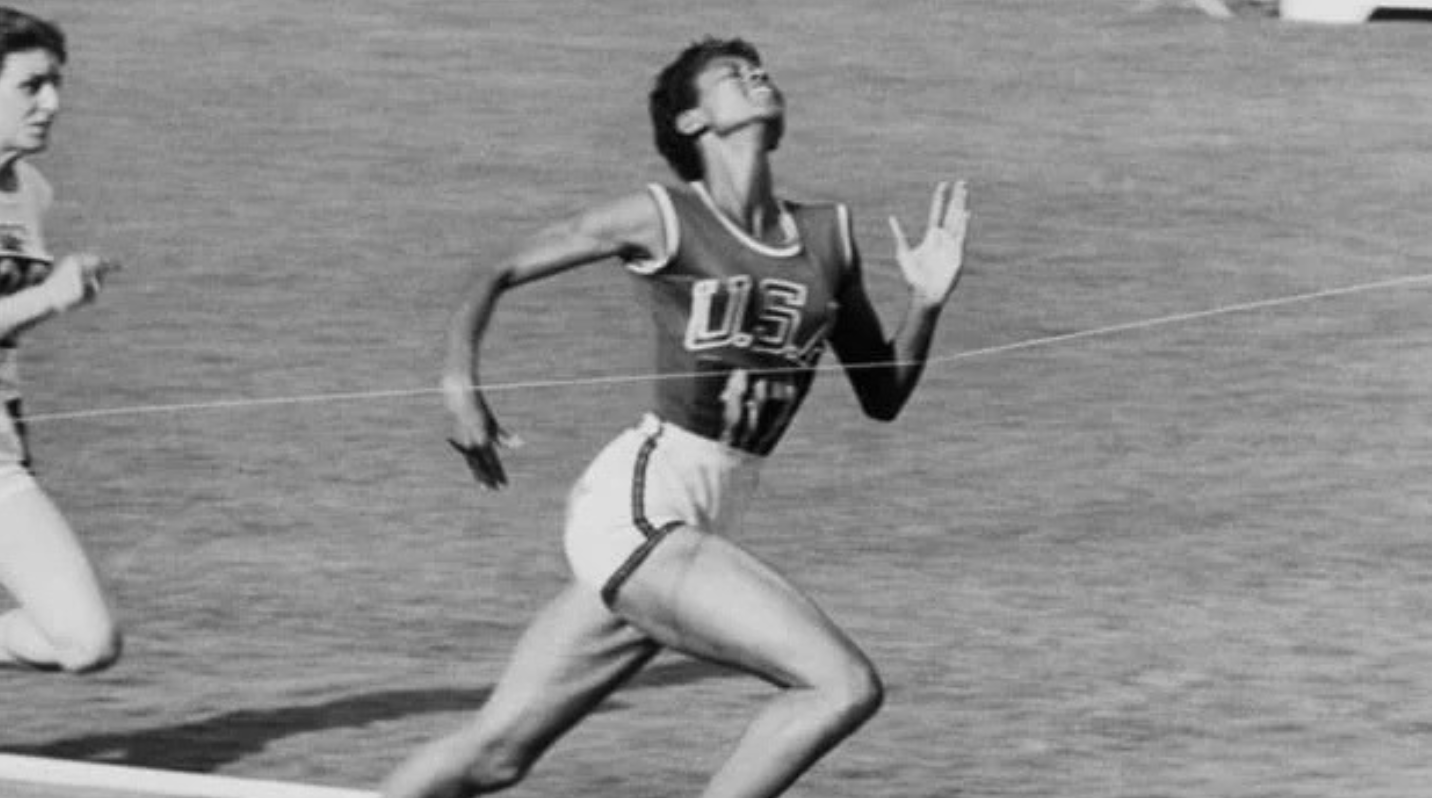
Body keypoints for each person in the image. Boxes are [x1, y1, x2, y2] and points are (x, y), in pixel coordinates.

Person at [382, 36, 969, 798]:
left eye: (760, 70)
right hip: (642, 507)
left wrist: (925, 304)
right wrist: (460, 379)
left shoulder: (828, 237)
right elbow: (496, 270)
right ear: (693, 122)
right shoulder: (663, 215)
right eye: (733, 75)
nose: (758, 76)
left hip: (708, 517)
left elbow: (882, 395)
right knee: (840, 685)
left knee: (493, 756)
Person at [0, 6, 122, 674]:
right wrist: (49, 296)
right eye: (31, 84)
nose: (52, 102)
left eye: (57, 85)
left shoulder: (31, 192)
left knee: (87, 641)